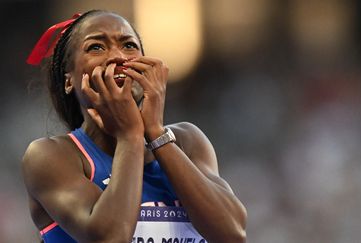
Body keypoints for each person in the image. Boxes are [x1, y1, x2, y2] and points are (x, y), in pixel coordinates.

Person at [22, 9, 247, 243]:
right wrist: (130, 137)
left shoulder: (186, 141)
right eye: (97, 47)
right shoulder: (51, 156)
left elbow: (232, 234)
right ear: (69, 80)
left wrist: (156, 133)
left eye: (129, 45)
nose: (118, 56)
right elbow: (111, 238)